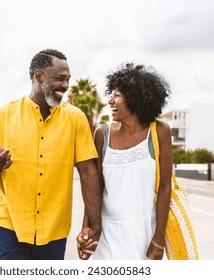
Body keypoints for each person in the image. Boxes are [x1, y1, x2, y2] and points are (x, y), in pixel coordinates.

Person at [0, 49, 102, 260]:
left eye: (68, 80)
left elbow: (88, 174)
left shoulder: (76, 118)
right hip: (9, 227)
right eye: (60, 79)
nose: (66, 85)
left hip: (54, 231)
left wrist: (94, 225)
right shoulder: (3, 115)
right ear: (39, 75)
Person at [77, 63, 172, 260]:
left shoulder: (160, 132)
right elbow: (94, 188)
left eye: (117, 95)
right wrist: (87, 228)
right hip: (108, 233)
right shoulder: (102, 134)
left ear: (135, 97)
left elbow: (164, 187)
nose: (110, 100)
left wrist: (159, 238)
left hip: (145, 232)